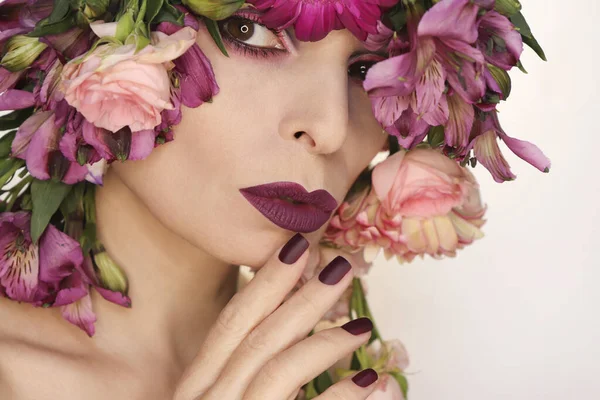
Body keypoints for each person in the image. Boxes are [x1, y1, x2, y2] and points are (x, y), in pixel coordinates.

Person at [0, 4, 389, 400]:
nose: (331, 128)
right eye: (248, 31)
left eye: (365, 70)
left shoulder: (343, 382)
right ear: (89, 39)